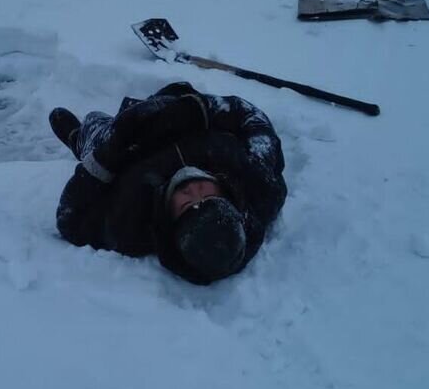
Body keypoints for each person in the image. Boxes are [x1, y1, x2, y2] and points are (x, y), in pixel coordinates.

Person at [49, 81, 287, 284]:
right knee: (178, 89)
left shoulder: (131, 227)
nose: (193, 189)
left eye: (186, 204)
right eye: (207, 195)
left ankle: (77, 138)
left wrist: (106, 158)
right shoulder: (258, 185)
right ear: (228, 198)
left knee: (95, 124)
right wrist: (203, 109)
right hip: (177, 114)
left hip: (130, 143)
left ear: (172, 222)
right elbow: (253, 120)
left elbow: (71, 220)